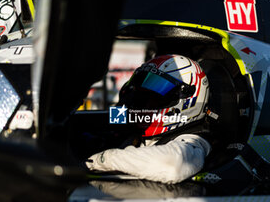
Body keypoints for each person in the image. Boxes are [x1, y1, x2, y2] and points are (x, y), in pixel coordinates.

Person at [85, 54, 213, 184]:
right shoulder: (137, 135)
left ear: (187, 100)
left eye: (156, 98)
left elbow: (172, 165)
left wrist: (103, 160)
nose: (145, 105)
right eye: (142, 97)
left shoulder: (195, 143)